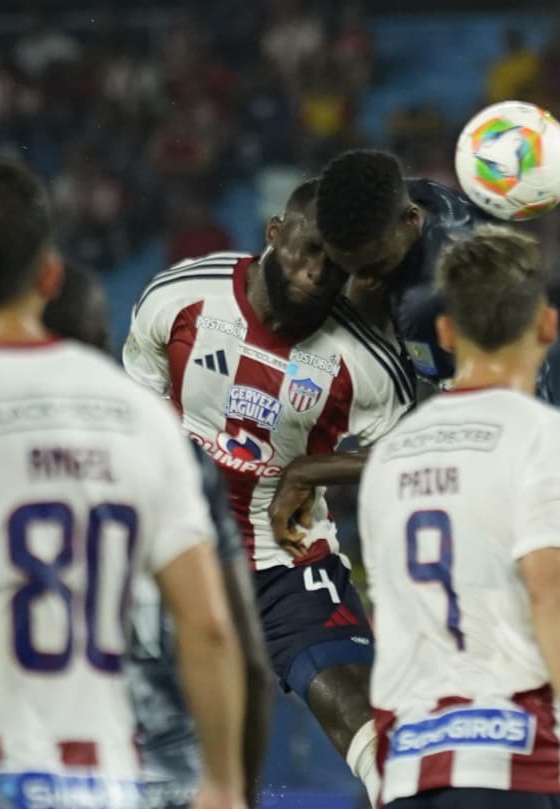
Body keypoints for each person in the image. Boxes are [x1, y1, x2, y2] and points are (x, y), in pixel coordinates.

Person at [0, 160, 247, 809]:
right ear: (49, 275)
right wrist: (223, 782)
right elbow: (210, 627)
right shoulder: (141, 418)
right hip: (107, 786)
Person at [123, 179, 413, 801]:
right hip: (174, 556)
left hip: (286, 562)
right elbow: (131, 419)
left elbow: (420, 447)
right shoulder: (179, 297)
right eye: (305, 251)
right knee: (144, 751)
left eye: (333, 266)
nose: (315, 274)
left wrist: (309, 471)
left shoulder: (363, 357)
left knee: (372, 725)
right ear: (275, 233)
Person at [358, 226, 560, 809]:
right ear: (548, 325)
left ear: (446, 332)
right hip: (515, 758)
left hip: (409, 765)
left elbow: (397, 614)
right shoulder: (544, 432)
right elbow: (551, 589)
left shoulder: (389, 454)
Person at [45, 264, 271, 807]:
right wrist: (235, 789)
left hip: (37, 777)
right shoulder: (171, 450)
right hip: (169, 777)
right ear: (105, 340)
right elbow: (237, 648)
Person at [316, 148, 560, 396]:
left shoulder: (428, 300)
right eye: (349, 270)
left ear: (411, 219)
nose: (364, 281)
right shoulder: (411, 198)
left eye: (374, 268)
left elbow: (439, 403)